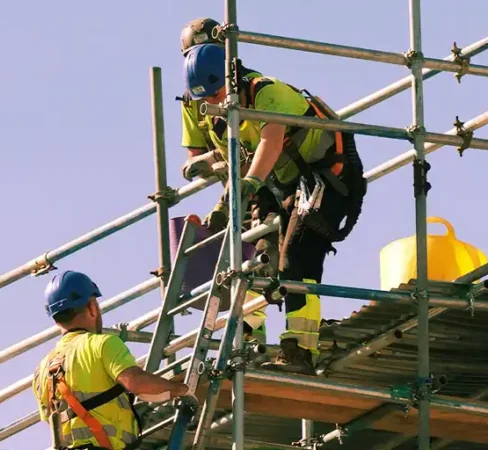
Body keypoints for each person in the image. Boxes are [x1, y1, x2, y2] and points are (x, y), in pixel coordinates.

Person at [181, 42, 367, 375]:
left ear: (232, 76)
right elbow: (237, 162)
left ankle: (301, 350)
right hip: (287, 187)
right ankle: (254, 340)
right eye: (205, 98)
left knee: (298, 257)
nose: (211, 101)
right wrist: (225, 204)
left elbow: (271, 141)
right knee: (260, 259)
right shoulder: (221, 120)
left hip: (328, 175)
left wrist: (249, 185)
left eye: (216, 92)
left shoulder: (266, 92)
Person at [177, 17, 276, 347]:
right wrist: (201, 165)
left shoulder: (253, 86)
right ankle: (249, 333)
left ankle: (274, 334)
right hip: (234, 189)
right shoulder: (193, 99)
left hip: (269, 181)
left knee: (267, 253)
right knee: (234, 257)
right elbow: (197, 155)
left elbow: (269, 140)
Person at [32, 270, 189, 450]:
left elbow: (50, 419)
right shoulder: (103, 344)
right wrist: (181, 389)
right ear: (92, 307)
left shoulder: (41, 370)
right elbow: (136, 382)